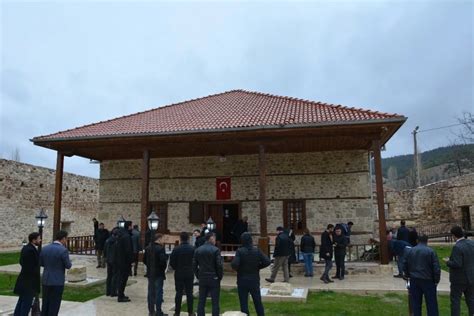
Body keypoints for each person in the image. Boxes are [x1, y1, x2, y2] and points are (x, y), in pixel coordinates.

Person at [231, 232, 271, 316]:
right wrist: (258, 267)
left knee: (243, 303)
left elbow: (234, 264)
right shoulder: (257, 250)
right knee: (257, 302)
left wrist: (239, 269)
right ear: (251, 240)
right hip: (254, 280)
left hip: (242, 280)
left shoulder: (240, 251)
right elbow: (267, 261)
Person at [402, 234, 440, 316]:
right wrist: (436, 280)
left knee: (416, 304)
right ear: (427, 241)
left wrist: (408, 275)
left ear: (417, 241)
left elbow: (405, 264)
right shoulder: (431, 251)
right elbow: (436, 267)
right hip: (428, 280)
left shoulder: (410, 251)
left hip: (414, 279)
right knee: (431, 304)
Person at [40, 230, 72, 316]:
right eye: (66, 239)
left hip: (46, 279)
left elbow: (41, 263)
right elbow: (68, 265)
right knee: (54, 304)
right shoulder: (63, 250)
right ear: (63, 239)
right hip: (57, 281)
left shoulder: (45, 248)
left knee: (45, 303)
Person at [445, 226, 474, 316]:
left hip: (459, 279)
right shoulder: (471, 243)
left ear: (454, 235)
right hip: (471, 276)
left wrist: (448, 262)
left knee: (455, 301)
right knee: (471, 299)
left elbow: (457, 264)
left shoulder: (457, 247)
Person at [193, 232, 223, 316]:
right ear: (211, 238)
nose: (215, 241)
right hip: (214, 278)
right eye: (215, 239)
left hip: (202, 277)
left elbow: (194, 265)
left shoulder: (198, 250)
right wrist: (219, 276)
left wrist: (198, 275)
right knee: (215, 301)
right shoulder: (216, 250)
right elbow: (219, 265)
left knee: (201, 300)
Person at [13, 232, 41, 316]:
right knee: (26, 304)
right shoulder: (30, 250)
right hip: (29, 282)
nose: (40, 240)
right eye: (39, 238)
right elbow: (31, 266)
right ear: (34, 240)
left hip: (25, 280)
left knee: (21, 301)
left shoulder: (27, 248)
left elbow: (21, 262)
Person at [170, 232, 195, 316]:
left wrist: (176, 268)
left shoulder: (176, 249)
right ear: (188, 238)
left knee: (178, 293)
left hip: (179, 272)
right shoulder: (192, 248)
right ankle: (190, 312)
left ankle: (177, 312)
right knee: (189, 293)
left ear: (180, 238)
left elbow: (172, 262)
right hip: (189, 271)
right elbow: (195, 261)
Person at [143, 233, 168, 316]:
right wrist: (162, 269)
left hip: (150, 273)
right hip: (158, 273)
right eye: (163, 239)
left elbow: (144, 260)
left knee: (150, 292)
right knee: (158, 292)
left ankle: (151, 311)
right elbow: (163, 261)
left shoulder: (147, 248)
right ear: (159, 239)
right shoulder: (160, 249)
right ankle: (158, 311)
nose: (164, 241)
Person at [115, 221, 133, 302]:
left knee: (121, 278)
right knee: (123, 278)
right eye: (131, 226)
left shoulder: (121, 234)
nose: (132, 227)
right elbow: (128, 250)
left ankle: (121, 294)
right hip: (124, 261)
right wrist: (131, 261)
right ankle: (120, 296)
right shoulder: (126, 236)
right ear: (129, 226)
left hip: (119, 260)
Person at [104, 227, 118, 297]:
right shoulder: (116, 242)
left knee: (109, 276)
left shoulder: (107, 241)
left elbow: (105, 251)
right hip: (115, 260)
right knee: (114, 276)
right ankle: (113, 292)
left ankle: (108, 291)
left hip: (109, 260)